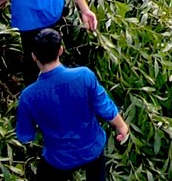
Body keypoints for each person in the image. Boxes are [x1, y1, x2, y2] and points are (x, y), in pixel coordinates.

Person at [15, 28, 131, 181]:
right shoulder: (84, 76)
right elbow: (104, 106)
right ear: (61, 50)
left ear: (33, 56)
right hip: (92, 149)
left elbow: (25, 135)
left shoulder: (29, 96)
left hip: (58, 159)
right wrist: (121, 125)